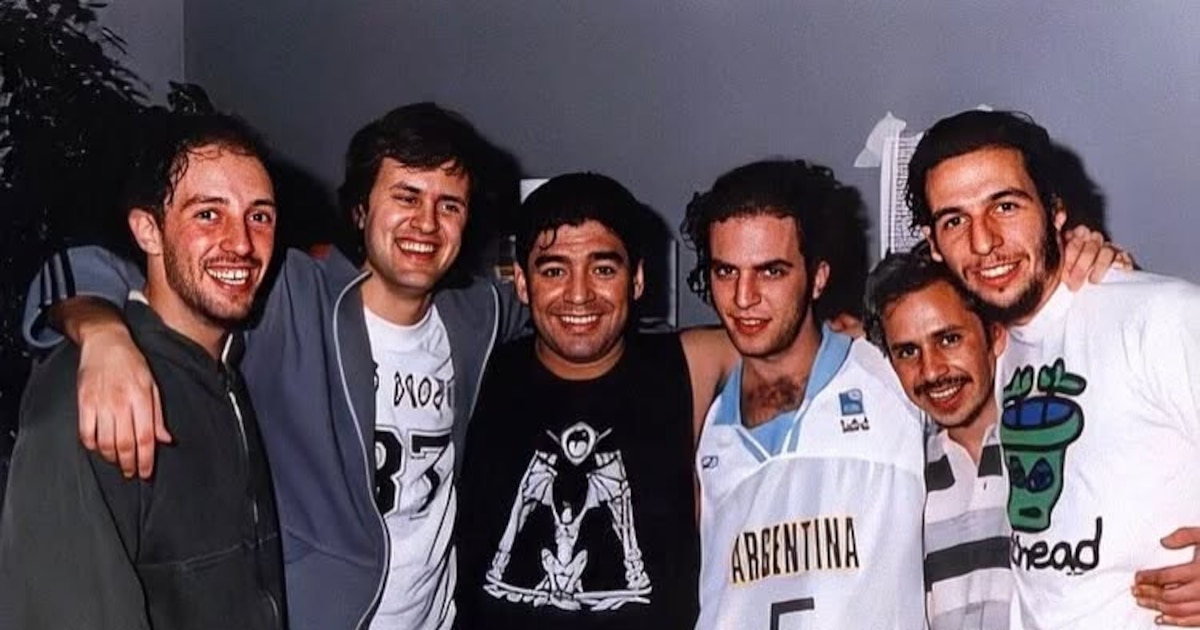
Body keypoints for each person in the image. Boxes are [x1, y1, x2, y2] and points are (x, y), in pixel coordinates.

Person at [21, 103, 527, 630]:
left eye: (450, 205)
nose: (426, 222)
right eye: (406, 196)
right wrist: (101, 330)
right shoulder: (291, 295)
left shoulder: (476, 317)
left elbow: (556, 302)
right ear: (361, 211)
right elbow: (102, 267)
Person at [907, 109, 1200, 629]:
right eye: (954, 221)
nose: (983, 241)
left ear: (1055, 209)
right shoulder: (998, 351)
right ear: (933, 245)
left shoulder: (1161, 317)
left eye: (1005, 206)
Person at [0, 113, 284, 628]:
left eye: (259, 216)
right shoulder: (88, 391)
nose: (242, 243)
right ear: (148, 230)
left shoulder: (225, 371)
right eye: (208, 214)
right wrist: (98, 330)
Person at [456, 173, 725, 629]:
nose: (579, 295)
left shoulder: (691, 363)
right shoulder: (479, 368)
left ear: (637, 279)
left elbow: (794, 343)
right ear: (521, 282)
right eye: (554, 271)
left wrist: (848, 329)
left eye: (603, 270)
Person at [680, 159, 927, 629]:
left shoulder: (889, 374)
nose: (744, 297)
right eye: (726, 272)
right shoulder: (706, 423)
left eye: (770, 272)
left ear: (817, 277)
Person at [864, 249, 1012, 630]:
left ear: (995, 335)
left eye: (948, 339)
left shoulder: (1051, 443)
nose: (931, 371)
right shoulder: (904, 480)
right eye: (908, 351)